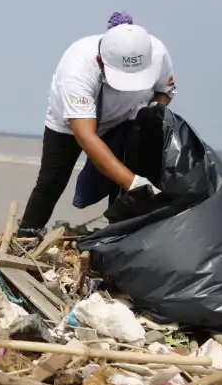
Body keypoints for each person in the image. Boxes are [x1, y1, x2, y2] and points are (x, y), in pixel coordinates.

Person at [17, 18, 177, 237]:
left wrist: (148, 117)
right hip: (70, 123)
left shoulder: (156, 54)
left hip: (126, 117)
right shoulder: (77, 69)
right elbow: (86, 136)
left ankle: (119, 235)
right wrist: (135, 183)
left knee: (123, 180)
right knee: (52, 179)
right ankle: (27, 235)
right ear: (101, 62)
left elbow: (164, 91)